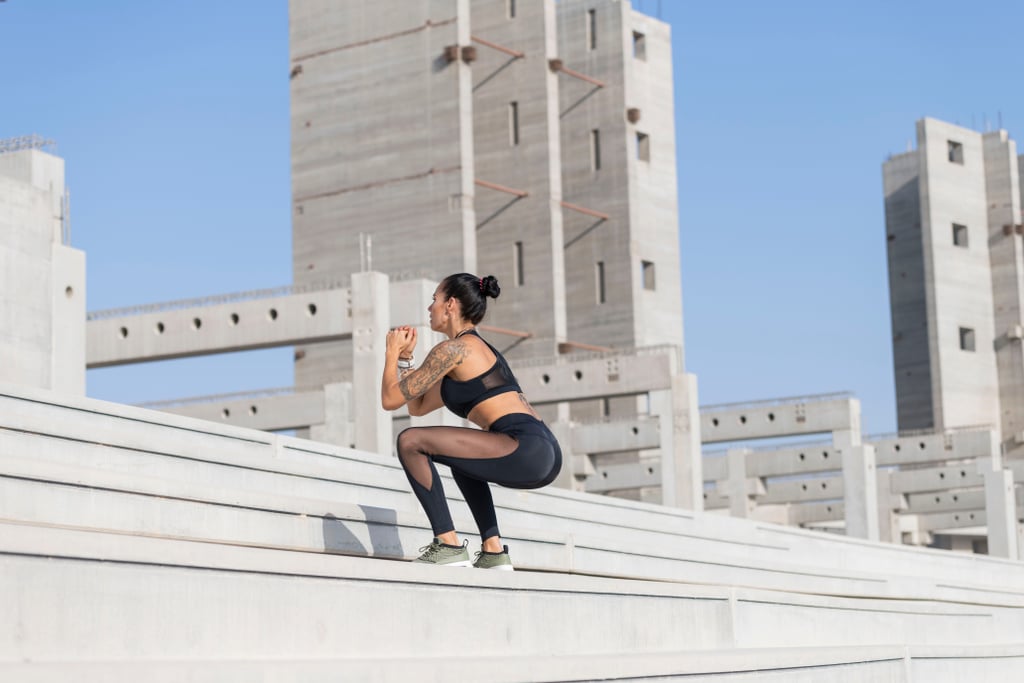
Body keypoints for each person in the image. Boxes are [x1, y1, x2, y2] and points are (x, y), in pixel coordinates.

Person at [380, 273, 562, 570]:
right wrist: (405, 361)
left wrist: (389, 353)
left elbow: (389, 400)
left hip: (524, 446)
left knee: (409, 441)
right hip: (542, 450)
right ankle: (493, 551)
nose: (430, 308)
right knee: (459, 456)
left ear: (450, 304)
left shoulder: (453, 350)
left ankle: (448, 543)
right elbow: (419, 406)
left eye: (434, 300)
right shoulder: (473, 351)